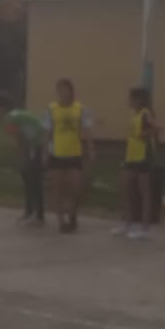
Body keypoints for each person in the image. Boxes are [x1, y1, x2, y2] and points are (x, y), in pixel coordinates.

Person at [43, 77, 94, 234]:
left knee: (76, 187)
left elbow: (87, 131)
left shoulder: (80, 109)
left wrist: (90, 148)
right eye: (59, 90)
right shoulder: (51, 109)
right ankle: (61, 221)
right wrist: (45, 152)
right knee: (57, 188)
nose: (62, 93)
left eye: (65, 90)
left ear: (71, 91)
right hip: (57, 153)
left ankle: (72, 212)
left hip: (74, 153)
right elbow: (48, 132)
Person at [117, 86, 160, 240]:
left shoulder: (145, 113)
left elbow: (157, 128)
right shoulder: (135, 115)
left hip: (143, 156)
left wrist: (144, 134)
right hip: (131, 156)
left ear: (139, 100)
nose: (129, 101)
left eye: (131, 98)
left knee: (144, 192)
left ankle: (144, 228)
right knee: (126, 189)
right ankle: (128, 223)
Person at [0, 94, 47, 226]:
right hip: (39, 144)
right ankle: (30, 212)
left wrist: (22, 157)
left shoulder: (10, 118)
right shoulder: (17, 114)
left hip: (35, 147)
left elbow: (19, 138)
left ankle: (38, 216)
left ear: (2, 107)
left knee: (32, 181)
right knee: (30, 180)